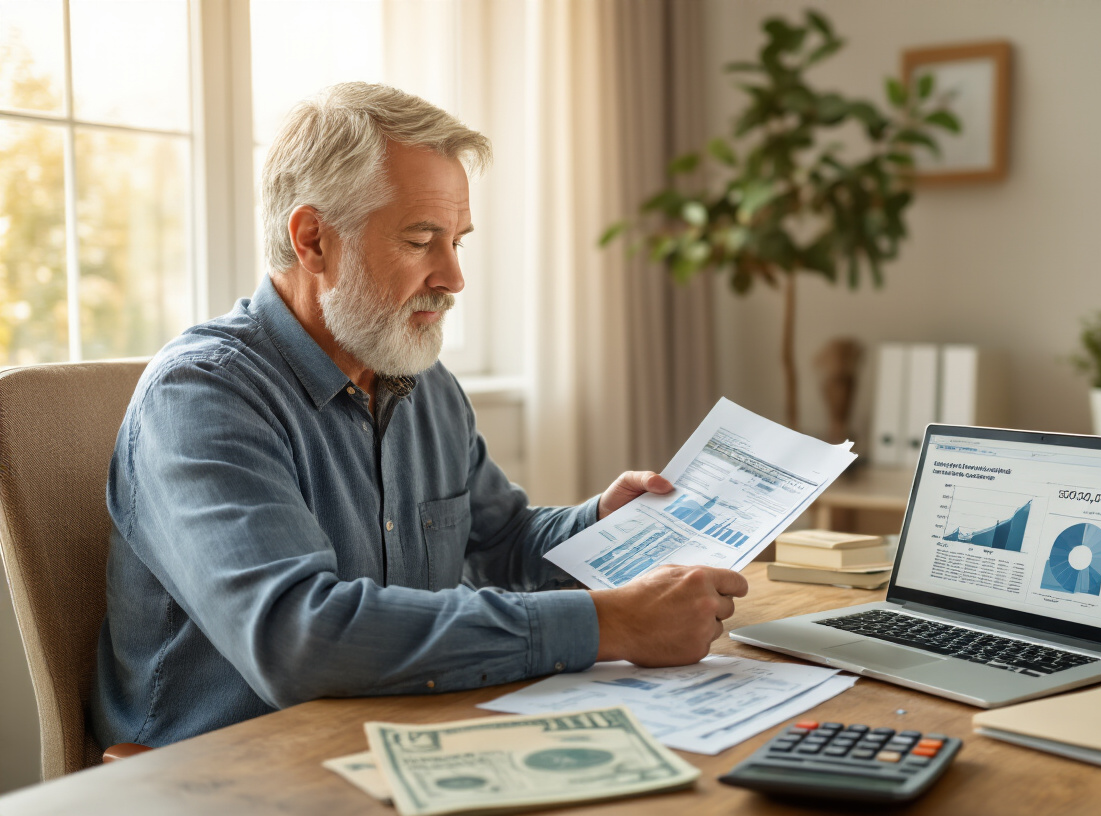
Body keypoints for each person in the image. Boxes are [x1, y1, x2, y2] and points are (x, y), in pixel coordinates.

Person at [91, 82, 747, 749]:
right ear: (314, 240)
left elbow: (499, 546)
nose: (453, 277)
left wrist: (603, 523)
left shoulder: (419, 381)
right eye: (420, 240)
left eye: (458, 241)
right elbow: (298, 638)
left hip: (405, 739)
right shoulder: (201, 396)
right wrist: (611, 624)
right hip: (226, 771)